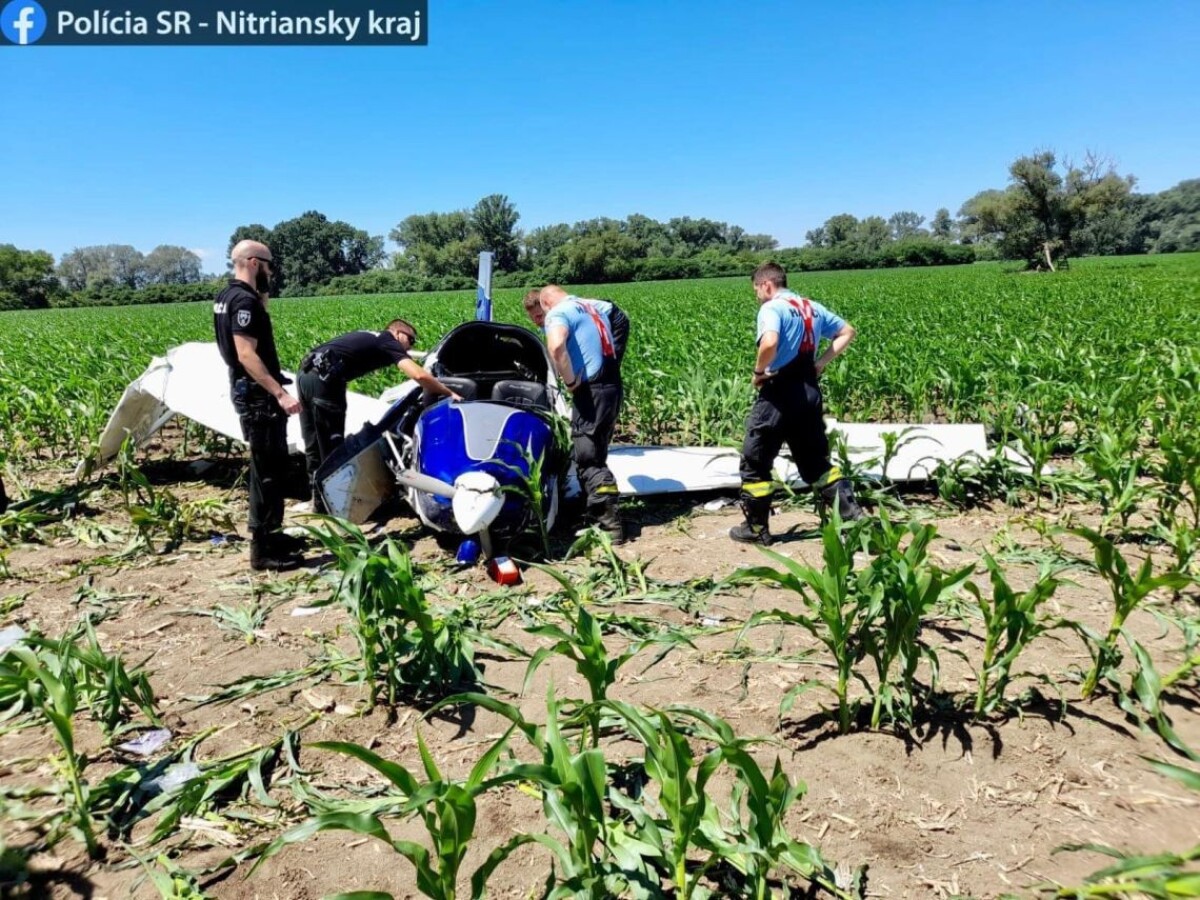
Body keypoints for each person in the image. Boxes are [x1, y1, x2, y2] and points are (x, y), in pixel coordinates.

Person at [731, 261, 864, 545]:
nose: (757, 295)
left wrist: (758, 373)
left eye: (757, 289)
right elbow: (848, 332)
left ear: (766, 285)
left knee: (755, 461)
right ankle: (855, 519)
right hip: (809, 390)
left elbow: (769, 342)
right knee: (816, 463)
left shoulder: (772, 308)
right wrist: (820, 364)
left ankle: (756, 529)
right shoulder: (812, 306)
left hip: (779, 391)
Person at [298, 320, 461, 512]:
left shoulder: (371, 337)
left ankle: (316, 503)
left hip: (306, 374)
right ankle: (335, 508)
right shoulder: (387, 340)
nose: (410, 345)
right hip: (326, 381)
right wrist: (449, 392)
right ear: (398, 332)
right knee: (331, 448)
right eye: (411, 339)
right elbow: (420, 376)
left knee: (313, 444)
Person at [213, 240, 304, 572]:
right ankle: (263, 551)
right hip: (258, 396)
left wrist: (262, 294)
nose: (272, 272)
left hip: (249, 391)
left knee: (273, 468)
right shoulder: (243, 301)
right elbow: (246, 353)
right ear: (253, 262)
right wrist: (280, 393)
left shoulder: (228, 296)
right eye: (268, 265)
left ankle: (274, 535)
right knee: (267, 472)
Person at [539, 284, 627, 541]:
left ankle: (609, 526)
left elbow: (556, 347)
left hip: (591, 392)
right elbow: (622, 320)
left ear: (546, 303)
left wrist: (569, 381)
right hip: (612, 386)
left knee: (589, 459)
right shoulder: (593, 307)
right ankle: (595, 512)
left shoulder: (558, 313)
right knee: (598, 452)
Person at [523, 288, 630, 365]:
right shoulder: (544, 321)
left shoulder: (558, 314)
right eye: (533, 318)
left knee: (609, 363)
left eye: (539, 316)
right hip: (593, 320)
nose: (536, 322)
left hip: (612, 317)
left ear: (546, 307)